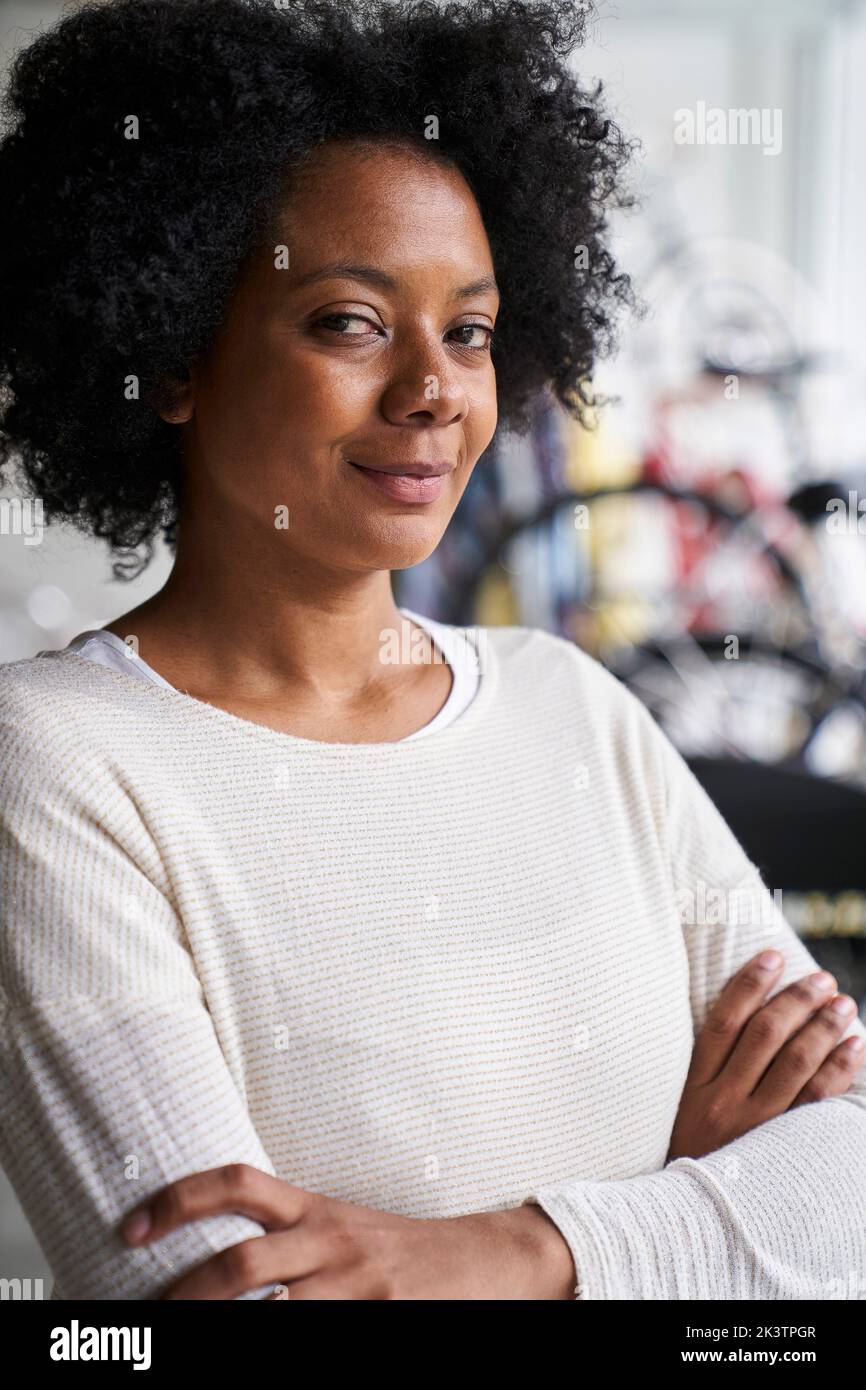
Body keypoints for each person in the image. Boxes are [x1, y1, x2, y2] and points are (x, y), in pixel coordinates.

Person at [0, 0, 864, 1301]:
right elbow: (219, 1300)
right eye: (349, 321)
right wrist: (695, 1210)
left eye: (467, 329)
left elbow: (849, 1178)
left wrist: (524, 1249)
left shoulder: (569, 704)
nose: (433, 392)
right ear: (173, 352)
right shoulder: (56, 764)